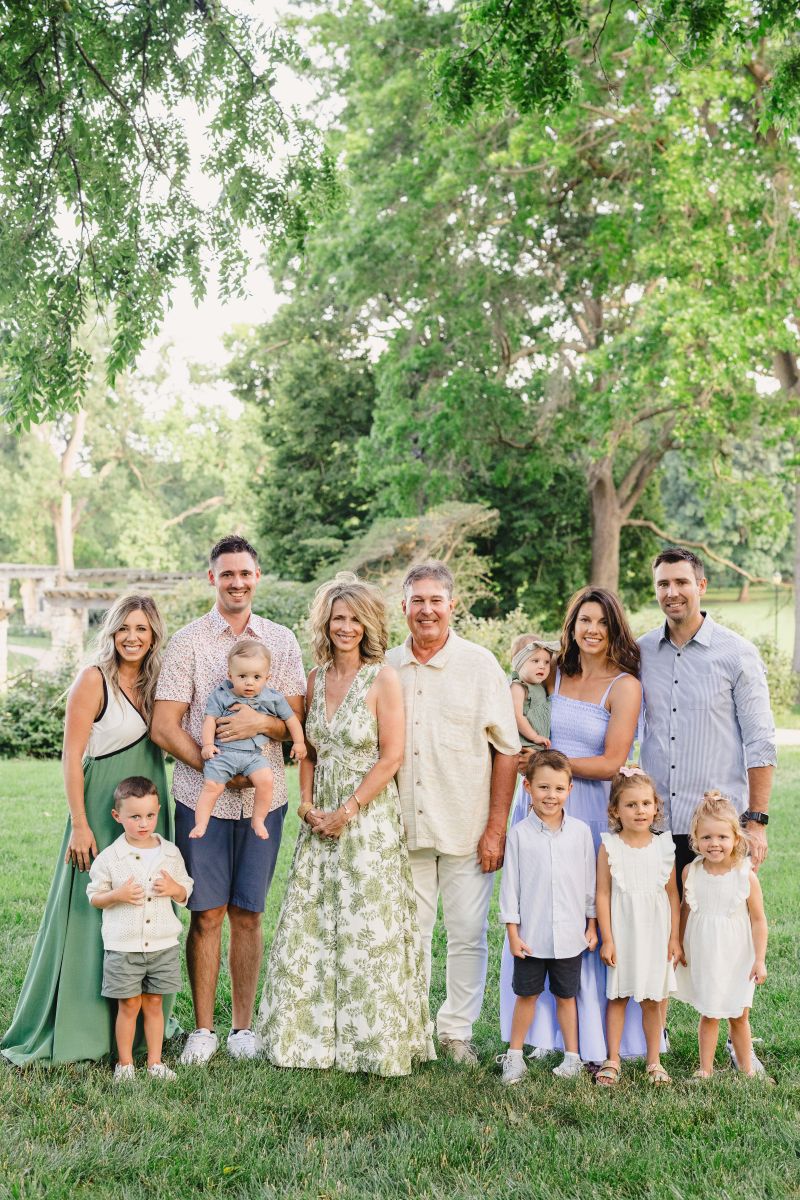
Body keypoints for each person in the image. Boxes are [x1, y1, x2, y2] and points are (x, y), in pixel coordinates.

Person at [258, 572, 435, 1075]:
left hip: (368, 818)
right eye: (339, 617)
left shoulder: (382, 678)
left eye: (356, 618)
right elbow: (308, 750)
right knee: (312, 926)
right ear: (325, 623)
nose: (347, 626)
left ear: (370, 624)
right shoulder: (314, 679)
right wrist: (308, 803)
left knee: (367, 930)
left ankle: (373, 1044)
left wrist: (348, 810)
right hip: (319, 821)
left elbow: (392, 755)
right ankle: (309, 1041)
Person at [151, 535, 305, 1066]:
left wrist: (262, 725)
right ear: (211, 579)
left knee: (249, 912)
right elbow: (165, 725)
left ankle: (242, 1028)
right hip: (203, 797)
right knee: (207, 911)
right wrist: (215, 769)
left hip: (267, 795)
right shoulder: (189, 642)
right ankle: (203, 1028)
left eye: (245, 573)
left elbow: (295, 720)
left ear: (257, 577)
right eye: (226, 574)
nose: (236, 582)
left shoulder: (282, 641)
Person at [1, 594, 173, 1066]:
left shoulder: (159, 681)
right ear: (111, 632)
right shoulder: (92, 679)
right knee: (91, 908)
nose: (132, 637)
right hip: (101, 806)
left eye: (141, 628)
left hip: (151, 802)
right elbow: (71, 756)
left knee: (145, 904)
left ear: (154, 633)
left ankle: (144, 1025)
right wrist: (80, 823)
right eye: (123, 628)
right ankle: (81, 1024)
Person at [499, 586, 647, 1062]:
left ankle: (598, 1040)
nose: (592, 630)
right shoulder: (554, 673)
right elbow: (516, 702)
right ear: (571, 624)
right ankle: (542, 1035)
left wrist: (550, 765)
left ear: (615, 629)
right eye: (584, 620)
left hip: (586, 812)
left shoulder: (624, 685)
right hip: (539, 809)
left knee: (585, 916)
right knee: (536, 907)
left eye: (602, 623)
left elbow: (611, 762)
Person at [386, 561, 520, 1065]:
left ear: (451, 605)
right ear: (403, 607)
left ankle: (456, 1032)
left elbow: (507, 750)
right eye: (416, 600)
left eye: (435, 600)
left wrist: (495, 828)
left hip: (467, 827)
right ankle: (414, 1030)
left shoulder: (480, 664)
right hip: (404, 826)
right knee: (410, 937)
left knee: (466, 935)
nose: (426, 610)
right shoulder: (386, 666)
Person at [639, 547, 777, 889]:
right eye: (663, 584)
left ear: (701, 586)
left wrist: (756, 821)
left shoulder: (738, 653)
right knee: (662, 937)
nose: (672, 593)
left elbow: (760, 741)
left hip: (717, 830)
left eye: (681, 582)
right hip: (654, 827)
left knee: (718, 934)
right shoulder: (639, 652)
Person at [497, 750, 597, 1085]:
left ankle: (572, 1057)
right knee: (527, 994)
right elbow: (510, 886)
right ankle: (514, 1056)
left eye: (557, 788)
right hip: (532, 935)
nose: (550, 795)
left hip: (570, 935)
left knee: (567, 996)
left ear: (570, 789)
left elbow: (589, 884)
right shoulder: (520, 835)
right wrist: (513, 932)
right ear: (527, 787)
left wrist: (592, 924)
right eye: (542, 787)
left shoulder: (581, 833)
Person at [87, 776, 193, 1081]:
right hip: (125, 946)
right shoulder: (110, 858)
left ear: (158, 810)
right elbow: (94, 896)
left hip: (162, 945)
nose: (143, 823)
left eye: (149, 815)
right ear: (117, 816)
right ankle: (125, 1064)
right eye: (134, 816)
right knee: (129, 1004)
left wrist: (174, 887)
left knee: (155, 1003)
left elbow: (186, 889)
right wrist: (117, 896)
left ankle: (155, 1062)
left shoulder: (170, 853)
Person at [594, 767, 681, 1087]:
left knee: (653, 999)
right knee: (617, 996)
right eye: (631, 805)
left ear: (656, 806)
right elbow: (602, 894)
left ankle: (654, 1061)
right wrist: (608, 939)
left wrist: (675, 938)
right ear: (615, 810)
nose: (640, 810)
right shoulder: (609, 846)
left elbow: (672, 895)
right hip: (623, 930)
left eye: (646, 803)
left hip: (656, 932)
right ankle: (612, 1058)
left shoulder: (664, 846)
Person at [675, 791, 768, 1080]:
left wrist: (760, 959)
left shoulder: (745, 875)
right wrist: (678, 944)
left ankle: (748, 1069)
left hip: (738, 953)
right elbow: (684, 910)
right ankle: (705, 1069)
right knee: (710, 1011)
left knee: (739, 1014)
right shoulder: (691, 872)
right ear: (695, 839)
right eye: (706, 838)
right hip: (705, 951)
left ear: (735, 839)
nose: (714, 844)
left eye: (722, 837)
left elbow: (758, 920)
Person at [194, 639, 306, 841]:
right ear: (230, 676)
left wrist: (299, 742)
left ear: (267, 677)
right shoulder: (221, 696)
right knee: (212, 786)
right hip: (224, 754)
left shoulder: (272, 698)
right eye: (242, 676)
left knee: (266, 780)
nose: (249, 682)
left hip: (253, 756)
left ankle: (258, 820)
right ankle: (201, 824)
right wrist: (208, 744)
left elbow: (291, 720)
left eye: (256, 677)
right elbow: (209, 720)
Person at [510, 639, 553, 751]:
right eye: (535, 661)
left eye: (546, 662)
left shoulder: (540, 686)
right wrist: (534, 737)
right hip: (525, 743)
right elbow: (517, 716)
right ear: (520, 663)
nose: (542, 666)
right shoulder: (518, 687)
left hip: (539, 744)